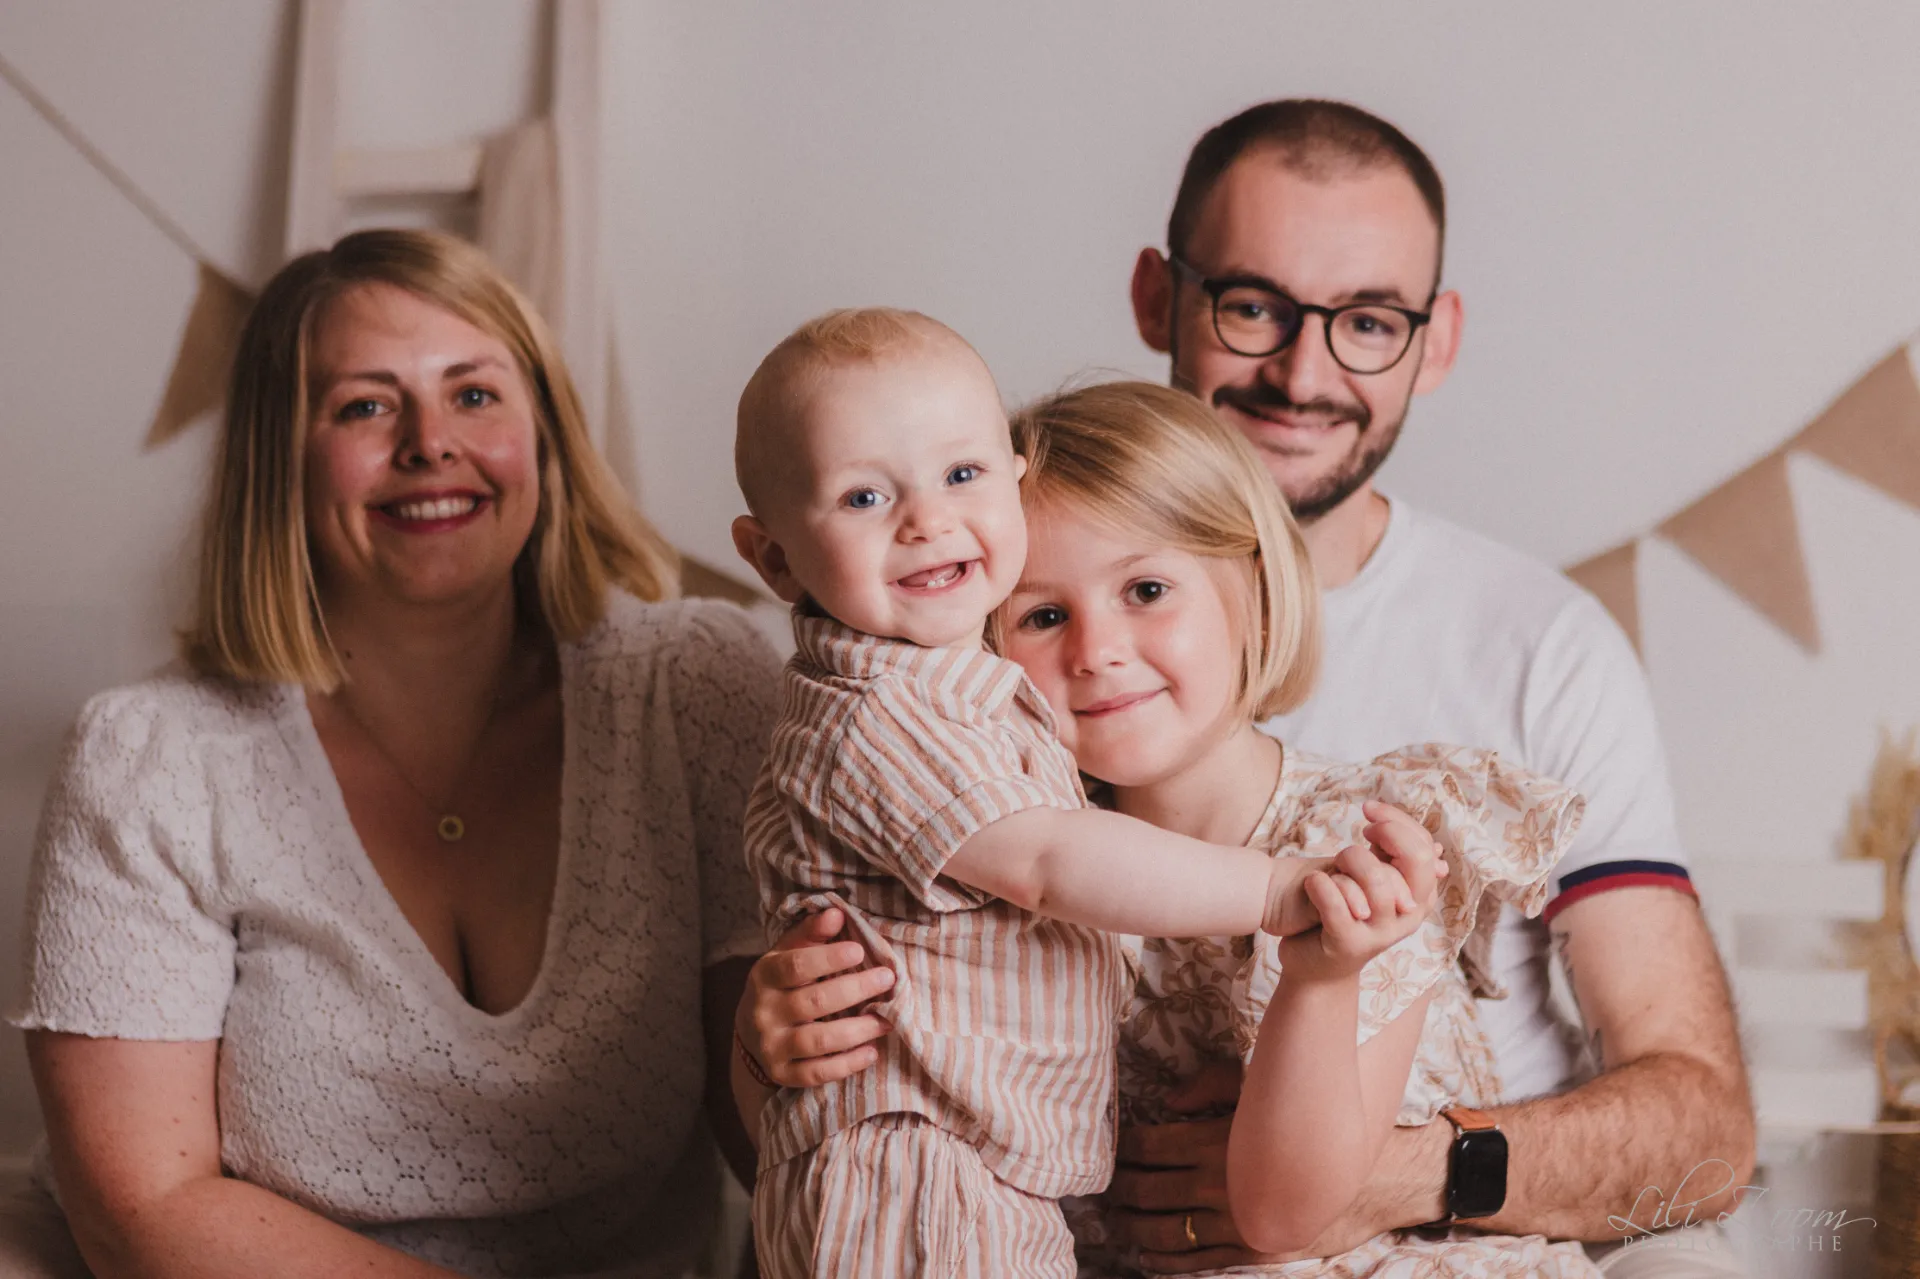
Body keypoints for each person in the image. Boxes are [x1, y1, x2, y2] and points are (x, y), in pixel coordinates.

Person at [739, 101, 1753, 1275]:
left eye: (1368, 319)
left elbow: (1700, 1123)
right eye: (1255, 305)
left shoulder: (1513, 678)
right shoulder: (970, 768)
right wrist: (769, 1045)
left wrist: (1408, 1164)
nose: (1302, 369)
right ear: (1161, 298)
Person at [10, 228, 778, 1278]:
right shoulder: (151, 757)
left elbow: (779, 1132)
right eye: (365, 405)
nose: (430, 442)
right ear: (278, 453)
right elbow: (145, 1210)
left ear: (544, 435)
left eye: (474, 394)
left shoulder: (694, 685)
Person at [727, 309, 1445, 1278]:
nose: (1096, 649)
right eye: (1045, 612)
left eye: (1146, 591)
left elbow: (1281, 1213)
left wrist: (1318, 965)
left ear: (1253, 586)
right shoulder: (949, 773)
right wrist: (763, 1045)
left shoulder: (1353, 849)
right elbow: (1048, 864)